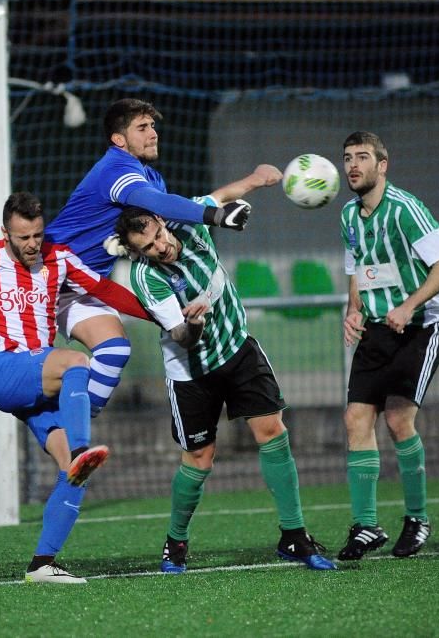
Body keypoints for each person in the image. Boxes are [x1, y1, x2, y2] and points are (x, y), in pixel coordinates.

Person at [0, 98, 281, 414]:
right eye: (142, 127)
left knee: (115, 349)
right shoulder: (115, 170)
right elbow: (161, 204)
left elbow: (180, 205)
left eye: (153, 126)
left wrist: (251, 181)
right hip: (43, 273)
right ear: (119, 139)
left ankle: (77, 430)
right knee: (7, 356)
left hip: (84, 285)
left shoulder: (151, 178)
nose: (153, 133)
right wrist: (214, 217)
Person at [0, 191, 153, 583]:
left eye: (37, 235)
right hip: (5, 372)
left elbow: (107, 292)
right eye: (23, 237)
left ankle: (43, 564)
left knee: (72, 474)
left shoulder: (58, 257)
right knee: (75, 362)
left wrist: (161, 316)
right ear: (5, 232)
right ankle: (79, 445)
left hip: (37, 379)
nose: (33, 244)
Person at [113, 206, 337, 572]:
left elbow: (219, 199)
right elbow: (183, 338)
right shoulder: (146, 278)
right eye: (149, 247)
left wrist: (254, 181)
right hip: (192, 371)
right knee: (200, 459)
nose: (160, 246)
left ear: (162, 223)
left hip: (237, 348)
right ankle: (176, 540)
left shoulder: (190, 226)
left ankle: (294, 536)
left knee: (272, 431)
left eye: (158, 235)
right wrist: (196, 322)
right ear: (138, 253)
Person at [338, 131, 439, 560]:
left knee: (396, 420)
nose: (353, 165)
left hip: (422, 325)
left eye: (363, 157)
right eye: (348, 158)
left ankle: (417, 517)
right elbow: (357, 270)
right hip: (378, 327)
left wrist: (410, 305)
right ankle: (367, 526)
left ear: (382, 165)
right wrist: (353, 310)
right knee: (356, 419)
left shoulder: (406, 209)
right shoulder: (348, 217)